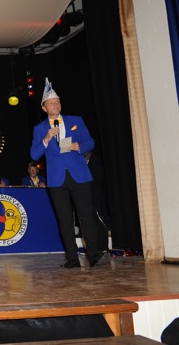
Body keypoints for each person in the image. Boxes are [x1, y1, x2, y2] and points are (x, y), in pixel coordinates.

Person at [30, 78, 109, 269]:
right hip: (57, 179)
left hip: (79, 175)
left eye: (57, 102)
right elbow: (34, 154)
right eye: (51, 103)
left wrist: (79, 146)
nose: (55, 105)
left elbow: (90, 142)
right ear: (44, 108)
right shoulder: (39, 129)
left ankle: (94, 255)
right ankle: (72, 258)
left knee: (86, 215)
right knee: (65, 220)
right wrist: (46, 139)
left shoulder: (75, 121)